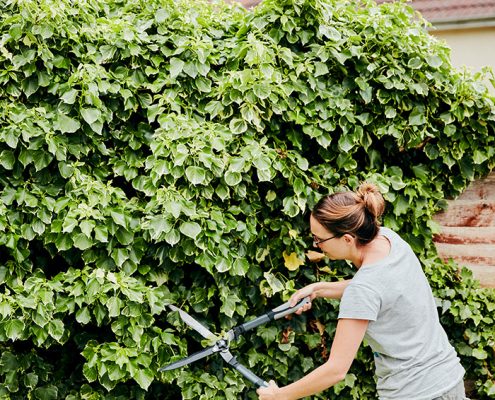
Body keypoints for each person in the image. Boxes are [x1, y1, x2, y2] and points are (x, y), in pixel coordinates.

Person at [257, 183, 467, 400]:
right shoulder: (390, 240)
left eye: (319, 239)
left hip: (415, 393)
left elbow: (336, 370)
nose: (316, 245)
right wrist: (319, 289)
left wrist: (279, 396)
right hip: (448, 379)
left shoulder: (363, 289)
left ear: (348, 239)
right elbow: (382, 289)